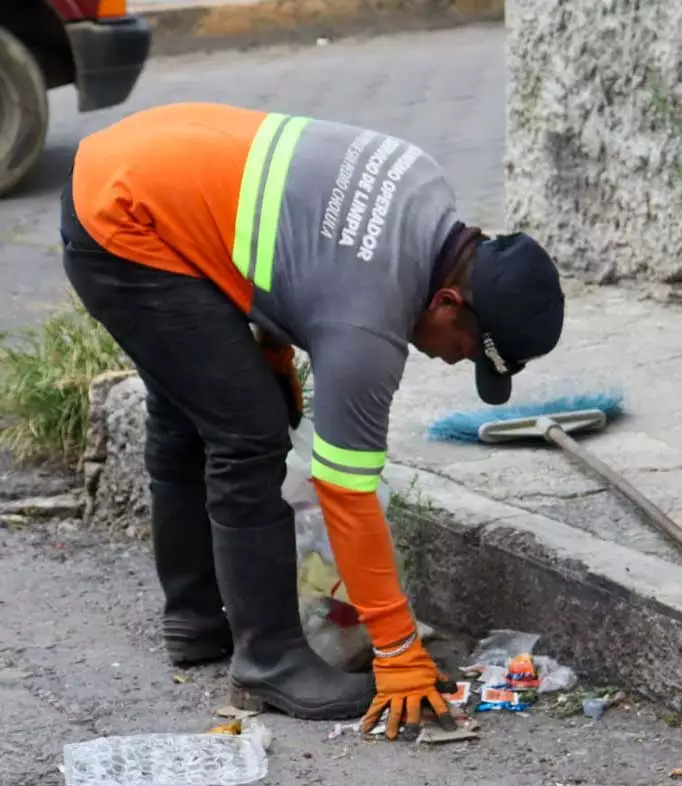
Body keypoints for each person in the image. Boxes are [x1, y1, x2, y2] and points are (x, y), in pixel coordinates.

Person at [60, 102, 566, 739]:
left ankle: (196, 620)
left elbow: (296, 237)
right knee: (248, 434)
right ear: (446, 302)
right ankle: (269, 661)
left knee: (191, 406)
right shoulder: (368, 325)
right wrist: (398, 651)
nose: (449, 359)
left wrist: (271, 344)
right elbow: (343, 490)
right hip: (126, 222)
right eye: (465, 349)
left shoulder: (421, 180)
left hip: (139, 161)